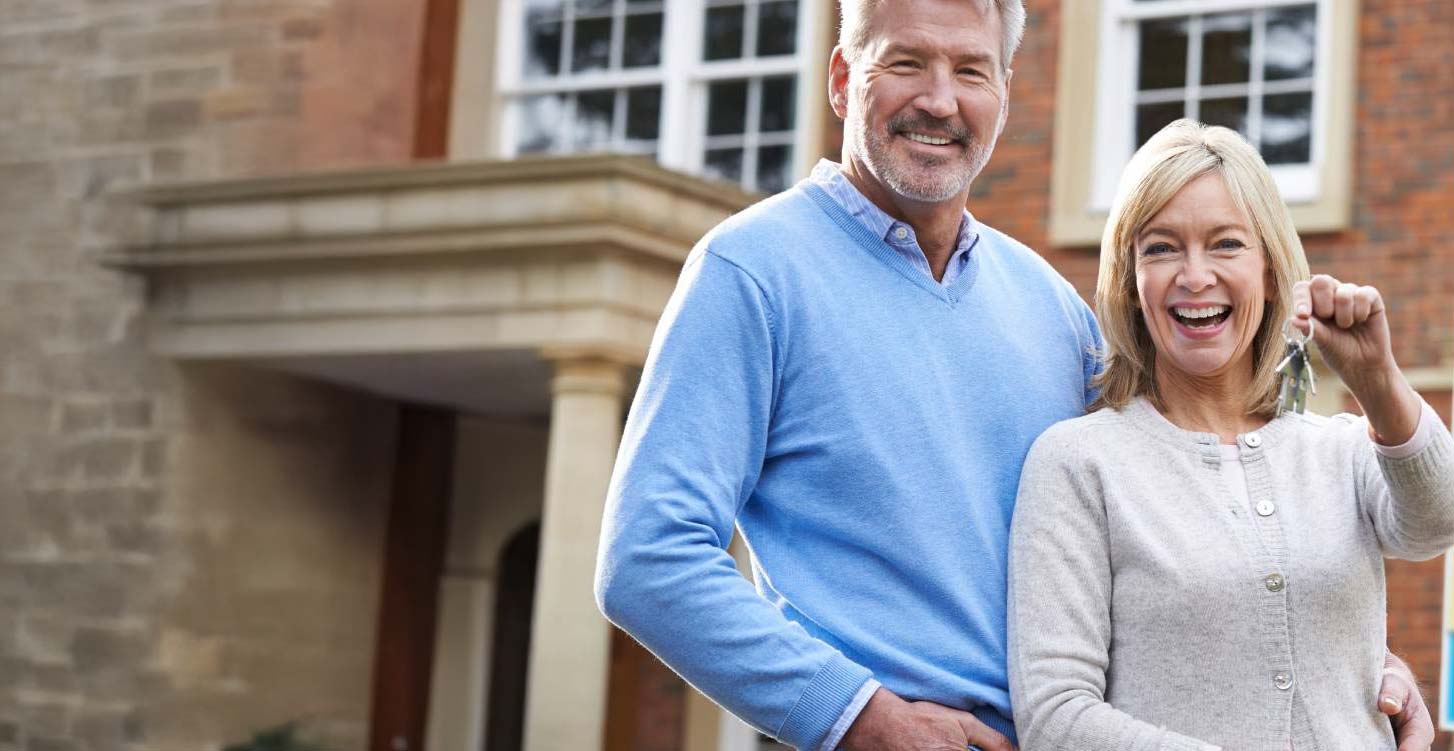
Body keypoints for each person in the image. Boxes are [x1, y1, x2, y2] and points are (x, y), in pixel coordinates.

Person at [595, 0, 1435, 747]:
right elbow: (647, 557)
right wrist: (856, 715)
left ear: (1003, 93)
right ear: (845, 78)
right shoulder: (751, 273)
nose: (939, 98)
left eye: (970, 70)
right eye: (905, 62)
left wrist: (1335, 649)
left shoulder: (1045, 302)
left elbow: (1195, 514)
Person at [1007, 119, 1454, 750]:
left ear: (1271, 271)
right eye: (1161, 248)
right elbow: (1055, 718)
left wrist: (1377, 379)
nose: (1194, 276)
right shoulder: (1079, 463)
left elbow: (1438, 519)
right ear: (1132, 283)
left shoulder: (1341, 450)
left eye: (1226, 244)